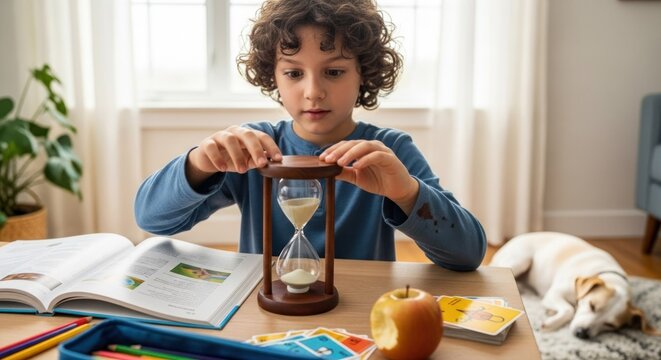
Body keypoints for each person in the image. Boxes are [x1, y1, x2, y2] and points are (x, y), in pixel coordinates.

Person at [135, 0, 486, 271]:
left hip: (362, 311)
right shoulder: (257, 147)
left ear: (364, 72)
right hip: (262, 313)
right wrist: (199, 162)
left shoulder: (388, 151)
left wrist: (407, 192)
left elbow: (468, 254)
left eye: (333, 71)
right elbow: (151, 220)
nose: (313, 91)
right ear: (273, 76)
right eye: (293, 73)